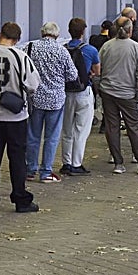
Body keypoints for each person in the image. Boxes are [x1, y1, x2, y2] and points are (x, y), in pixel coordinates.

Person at [0, 22, 41, 212]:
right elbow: (32, 85)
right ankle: (21, 199)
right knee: (17, 160)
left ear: (0, 34)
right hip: (16, 117)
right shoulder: (21, 57)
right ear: (17, 39)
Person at [98, 17, 138, 175]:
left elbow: (97, 69)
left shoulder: (106, 46)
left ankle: (118, 163)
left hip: (108, 91)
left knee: (112, 127)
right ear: (130, 30)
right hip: (128, 93)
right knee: (134, 128)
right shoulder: (136, 48)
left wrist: (99, 87)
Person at [24, 22, 78, 182]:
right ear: (56, 35)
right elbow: (72, 75)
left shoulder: (30, 47)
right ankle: (46, 172)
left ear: (42, 33)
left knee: (33, 135)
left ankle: (30, 169)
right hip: (56, 100)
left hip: (35, 98)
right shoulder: (62, 51)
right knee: (52, 137)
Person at [59, 18, 100, 175]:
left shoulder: (63, 49)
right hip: (83, 92)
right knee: (81, 130)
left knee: (67, 129)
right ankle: (76, 163)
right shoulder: (90, 50)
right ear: (83, 31)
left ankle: (66, 162)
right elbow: (97, 71)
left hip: (66, 92)